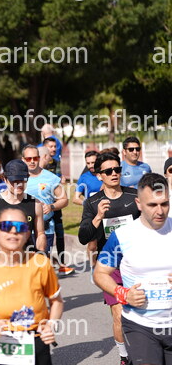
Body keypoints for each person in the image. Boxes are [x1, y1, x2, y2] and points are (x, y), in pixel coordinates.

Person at [94, 173, 172, 365]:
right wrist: (122, 293)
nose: (160, 211)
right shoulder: (122, 236)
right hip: (139, 326)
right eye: (152, 205)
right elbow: (100, 273)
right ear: (139, 203)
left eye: (164, 204)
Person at [0, 207, 63, 365]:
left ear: (27, 234)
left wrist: (51, 325)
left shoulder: (41, 264)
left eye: (20, 227)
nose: (13, 231)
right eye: (6, 226)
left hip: (36, 341)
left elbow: (56, 301)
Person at [79, 152, 140, 365]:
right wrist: (97, 217)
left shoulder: (134, 196)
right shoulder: (92, 202)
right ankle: (124, 357)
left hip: (137, 263)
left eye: (117, 169)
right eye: (108, 171)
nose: (114, 174)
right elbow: (83, 237)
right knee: (119, 314)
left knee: (142, 311)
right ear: (99, 175)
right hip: (111, 266)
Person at [0, 160, 46, 256]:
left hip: (26, 259)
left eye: (22, 180)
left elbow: (40, 233)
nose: (19, 184)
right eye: (14, 181)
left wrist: (40, 252)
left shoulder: (35, 204)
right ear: (5, 179)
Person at [22, 145, 72, 275]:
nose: (32, 161)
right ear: (23, 159)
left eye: (35, 158)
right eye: (28, 159)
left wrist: (51, 206)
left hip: (45, 228)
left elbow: (64, 199)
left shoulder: (50, 178)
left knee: (41, 262)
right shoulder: (18, 178)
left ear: (39, 158)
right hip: (23, 228)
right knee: (25, 264)